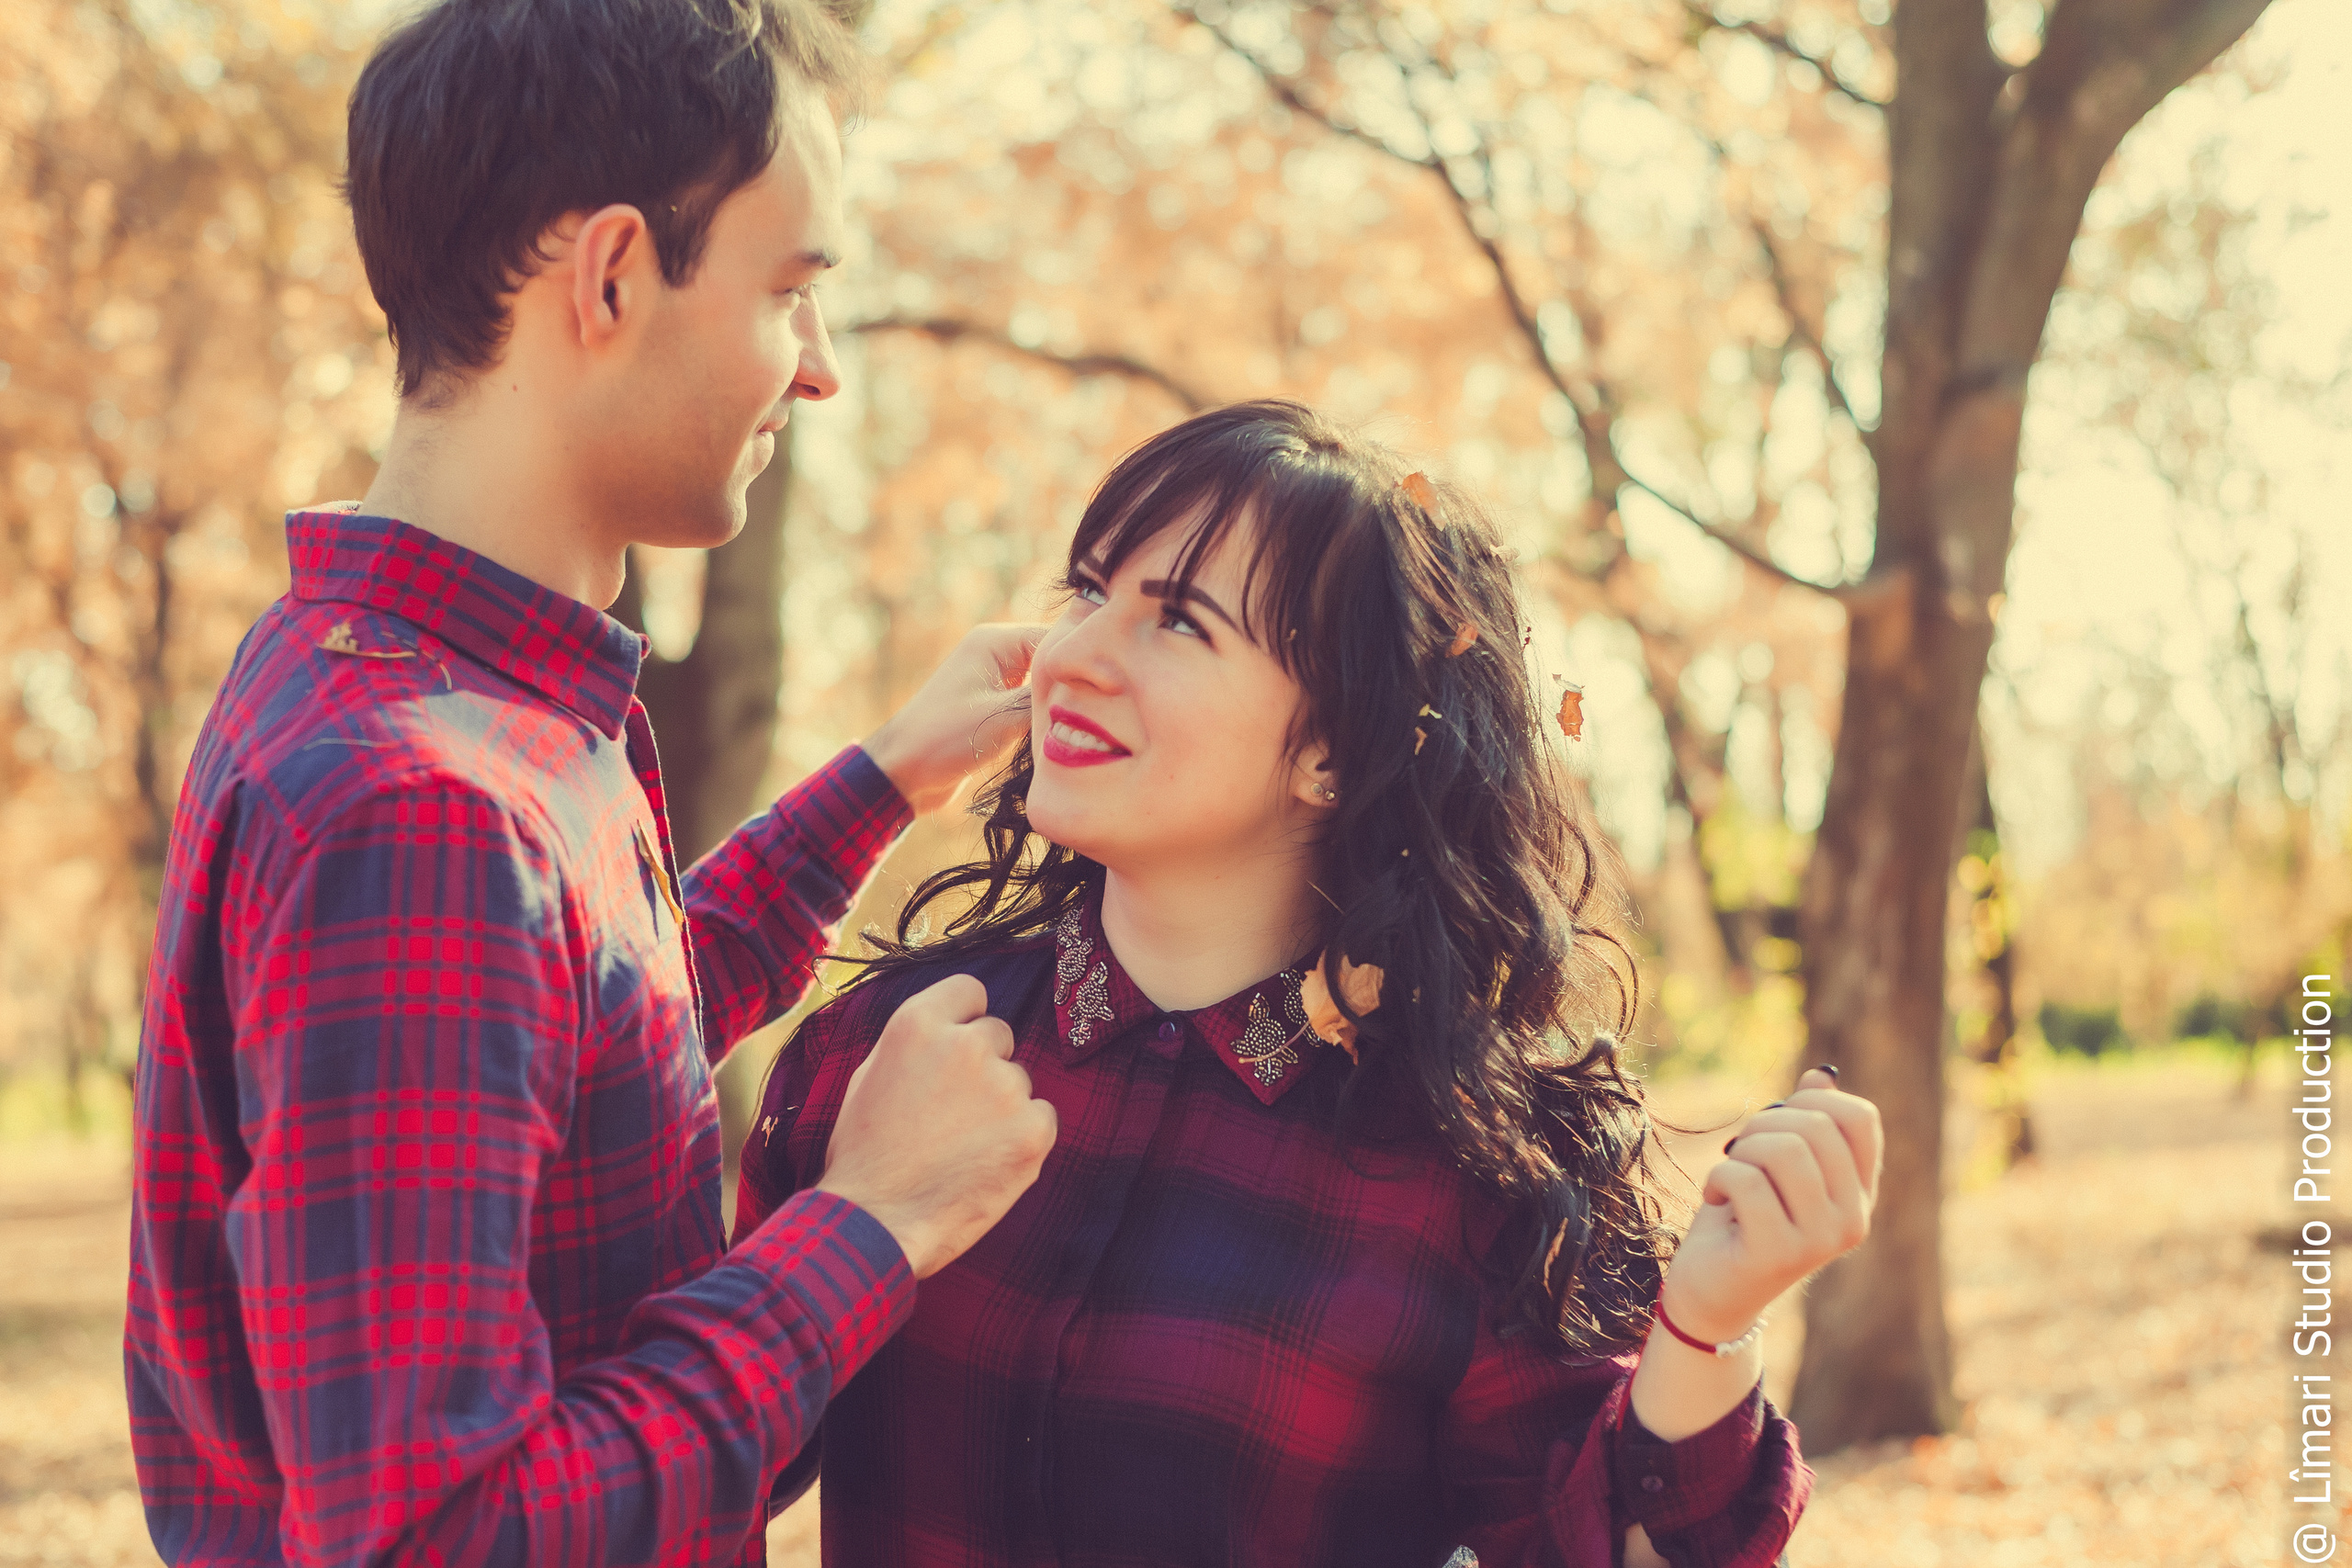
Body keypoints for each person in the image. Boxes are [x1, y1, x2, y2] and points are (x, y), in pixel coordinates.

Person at [122, 2, 1057, 1565]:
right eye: (792, 291)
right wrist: (872, 1223)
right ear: (612, 275)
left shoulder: (427, 684)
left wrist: (889, 777)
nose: (816, 370)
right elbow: (437, 1536)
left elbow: (580, 1044)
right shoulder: (422, 807)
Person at [737, 400, 1883, 1568]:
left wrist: (1709, 1323)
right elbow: (690, 1464)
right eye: (1087, 592)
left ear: (1330, 748)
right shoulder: (895, 1046)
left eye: (1178, 621)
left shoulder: (1479, 1167)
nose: (1072, 657)